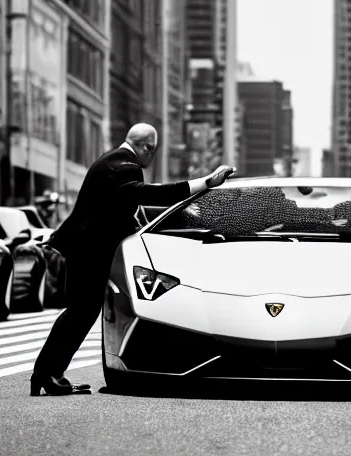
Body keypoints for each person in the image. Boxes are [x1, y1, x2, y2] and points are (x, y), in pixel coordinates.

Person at [30, 123, 236, 396]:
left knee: (79, 313)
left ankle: (48, 374)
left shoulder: (111, 160)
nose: (152, 158)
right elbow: (153, 194)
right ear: (147, 147)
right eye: (154, 151)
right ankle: (46, 375)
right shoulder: (126, 166)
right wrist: (205, 183)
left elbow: (110, 211)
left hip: (84, 252)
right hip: (89, 255)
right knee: (79, 314)